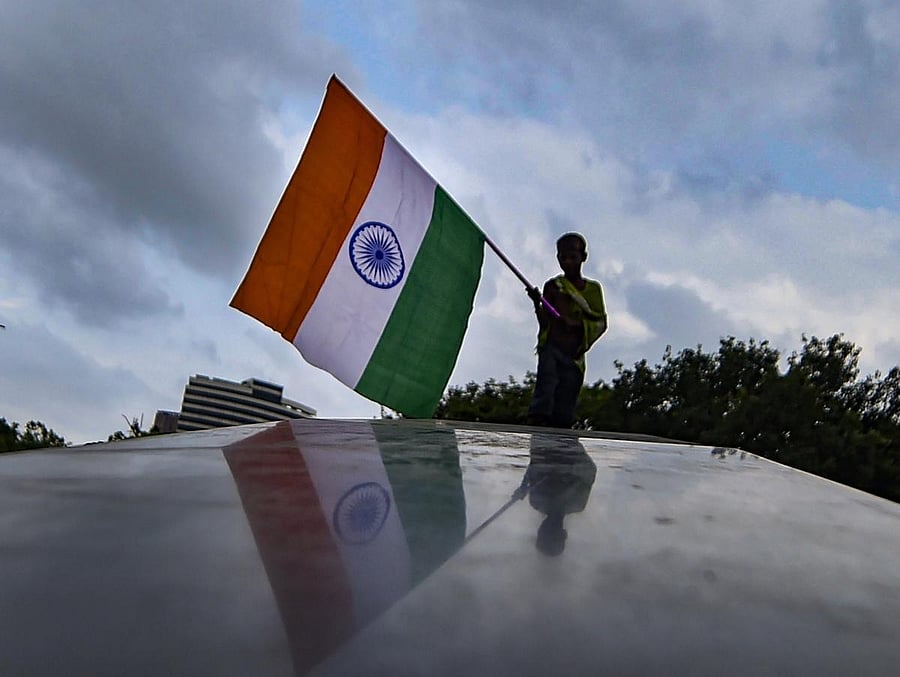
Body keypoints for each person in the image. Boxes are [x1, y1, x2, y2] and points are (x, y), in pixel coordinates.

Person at [526, 232, 607, 428]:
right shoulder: (554, 286)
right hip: (552, 348)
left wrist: (577, 324)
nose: (568, 262)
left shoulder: (593, 290)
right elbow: (545, 322)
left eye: (573, 257)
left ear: (583, 257)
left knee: (565, 404)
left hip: (574, 355)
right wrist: (538, 303)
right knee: (546, 388)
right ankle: (538, 423)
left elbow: (600, 322)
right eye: (563, 257)